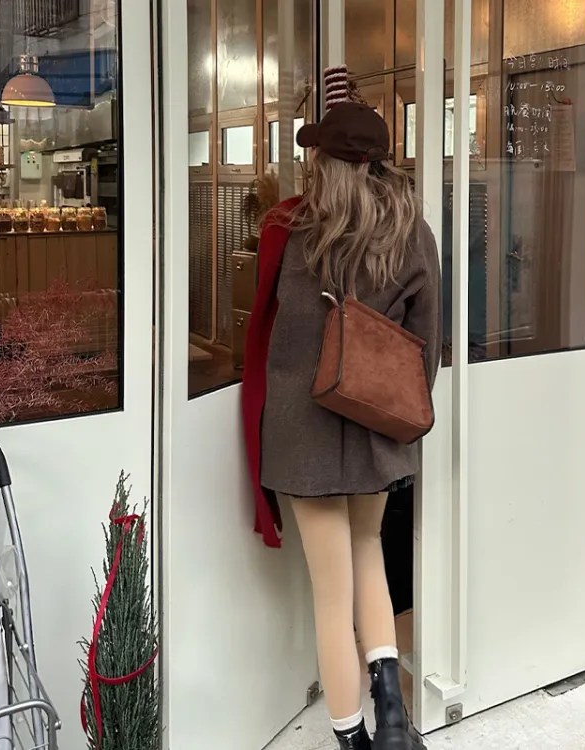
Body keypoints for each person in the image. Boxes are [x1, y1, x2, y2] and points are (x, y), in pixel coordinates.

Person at [242, 66, 441, 750]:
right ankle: (394, 723)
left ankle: (353, 741)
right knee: (369, 557)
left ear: (323, 162)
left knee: (332, 597)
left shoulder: (290, 229)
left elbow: (262, 331)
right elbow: (426, 347)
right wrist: (394, 414)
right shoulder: (414, 234)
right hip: (375, 430)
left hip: (302, 434)